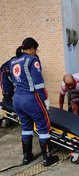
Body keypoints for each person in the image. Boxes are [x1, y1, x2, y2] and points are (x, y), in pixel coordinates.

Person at [10, 37, 58, 166]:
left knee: (26, 128)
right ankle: (47, 158)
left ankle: (26, 157)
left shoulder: (13, 61)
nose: (36, 52)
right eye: (36, 49)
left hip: (17, 99)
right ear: (31, 48)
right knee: (43, 127)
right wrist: (46, 99)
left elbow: (13, 80)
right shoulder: (33, 60)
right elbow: (38, 84)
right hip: (30, 99)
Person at [0, 57, 15, 127]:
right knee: (7, 97)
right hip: (5, 82)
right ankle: (8, 121)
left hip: (8, 81)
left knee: (8, 100)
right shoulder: (13, 62)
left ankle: (9, 120)